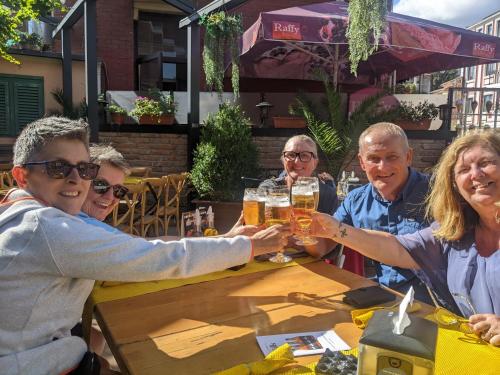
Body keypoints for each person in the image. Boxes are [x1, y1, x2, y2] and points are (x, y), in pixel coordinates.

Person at [0, 117, 289, 374]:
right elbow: (159, 257)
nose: (76, 179)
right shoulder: (49, 228)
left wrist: (227, 241)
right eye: (58, 168)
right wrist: (248, 247)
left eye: (84, 169)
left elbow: (135, 248)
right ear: (22, 175)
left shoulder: (21, 212)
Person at [310, 130, 500, 346]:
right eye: (464, 169)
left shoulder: (427, 194)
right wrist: (335, 229)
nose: (475, 174)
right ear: (454, 184)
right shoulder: (455, 231)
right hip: (466, 345)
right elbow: (397, 248)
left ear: (408, 157)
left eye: (485, 163)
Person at [316, 122, 432, 303]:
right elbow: (324, 245)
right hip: (384, 299)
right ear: (362, 162)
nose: (383, 167)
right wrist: (297, 236)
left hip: (436, 305)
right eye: (373, 158)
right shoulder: (356, 200)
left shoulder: (438, 195)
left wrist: (336, 230)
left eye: (392, 157)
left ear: (408, 156)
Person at [258, 135, 338, 258]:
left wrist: (290, 239)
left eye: (305, 155)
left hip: (311, 266)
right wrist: (302, 239)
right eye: (290, 155)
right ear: (283, 160)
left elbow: (324, 249)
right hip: (269, 259)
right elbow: (258, 234)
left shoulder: (327, 194)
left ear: (315, 162)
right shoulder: (269, 188)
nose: (297, 161)